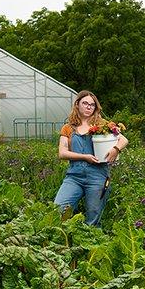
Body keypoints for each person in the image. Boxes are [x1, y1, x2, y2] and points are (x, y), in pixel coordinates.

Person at [53, 90, 128, 226]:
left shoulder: (102, 125)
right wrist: (84, 157)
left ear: (95, 108)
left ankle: (91, 243)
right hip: (74, 177)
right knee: (59, 208)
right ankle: (66, 237)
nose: (88, 107)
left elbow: (123, 140)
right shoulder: (68, 128)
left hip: (98, 176)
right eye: (85, 103)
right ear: (77, 105)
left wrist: (115, 149)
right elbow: (62, 153)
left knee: (93, 216)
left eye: (92, 105)